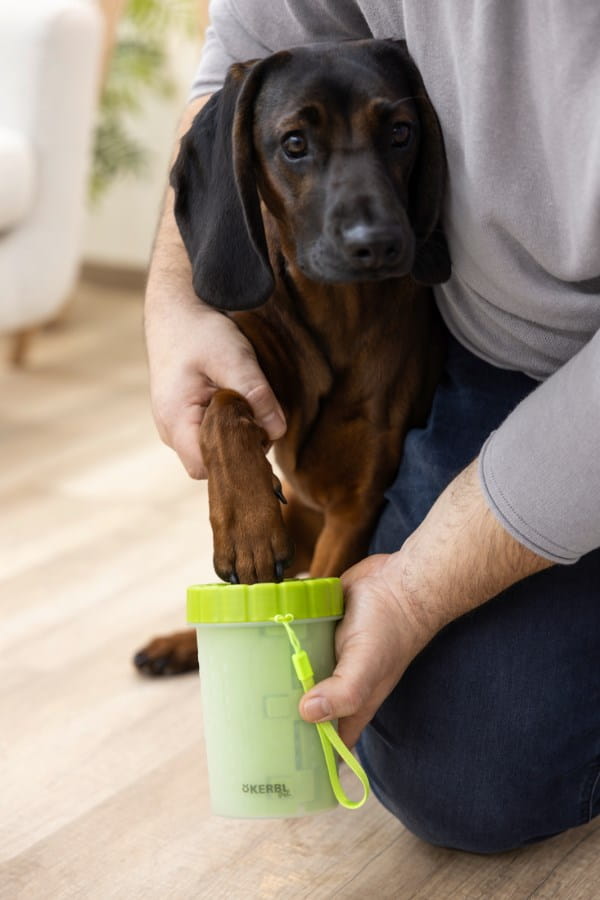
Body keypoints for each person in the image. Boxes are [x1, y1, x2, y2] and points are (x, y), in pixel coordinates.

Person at [145, 2, 600, 853]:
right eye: (298, 147)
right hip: (495, 354)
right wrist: (175, 302)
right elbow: (245, 52)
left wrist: (418, 591)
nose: (366, 222)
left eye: (395, 137)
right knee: (454, 774)